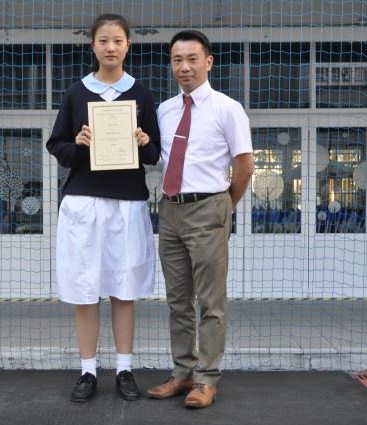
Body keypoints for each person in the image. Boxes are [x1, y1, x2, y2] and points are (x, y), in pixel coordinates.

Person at [46, 13, 160, 402]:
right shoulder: (77, 93)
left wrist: (143, 142)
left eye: (118, 41)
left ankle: (124, 369)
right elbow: (57, 145)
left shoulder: (141, 93)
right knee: (85, 289)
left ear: (128, 45)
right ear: (92, 45)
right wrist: (79, 143)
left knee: (124, 290)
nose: (111, 47)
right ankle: (88, 371)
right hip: (84, 203)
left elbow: (155, 154)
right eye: (103, 41)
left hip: (128, 203)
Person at [146, 30, 254, 408]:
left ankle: (207, 379)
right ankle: (182, 373)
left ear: (208, 62)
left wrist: (224, 206)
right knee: (178, 301)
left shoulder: (227, 108)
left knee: (211, 303)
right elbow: (157, 156)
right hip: (170, 211)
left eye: (192, 59)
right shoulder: (164, 110)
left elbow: (245, 166)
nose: (184, 67)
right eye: (177, 60)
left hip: (209, 207)